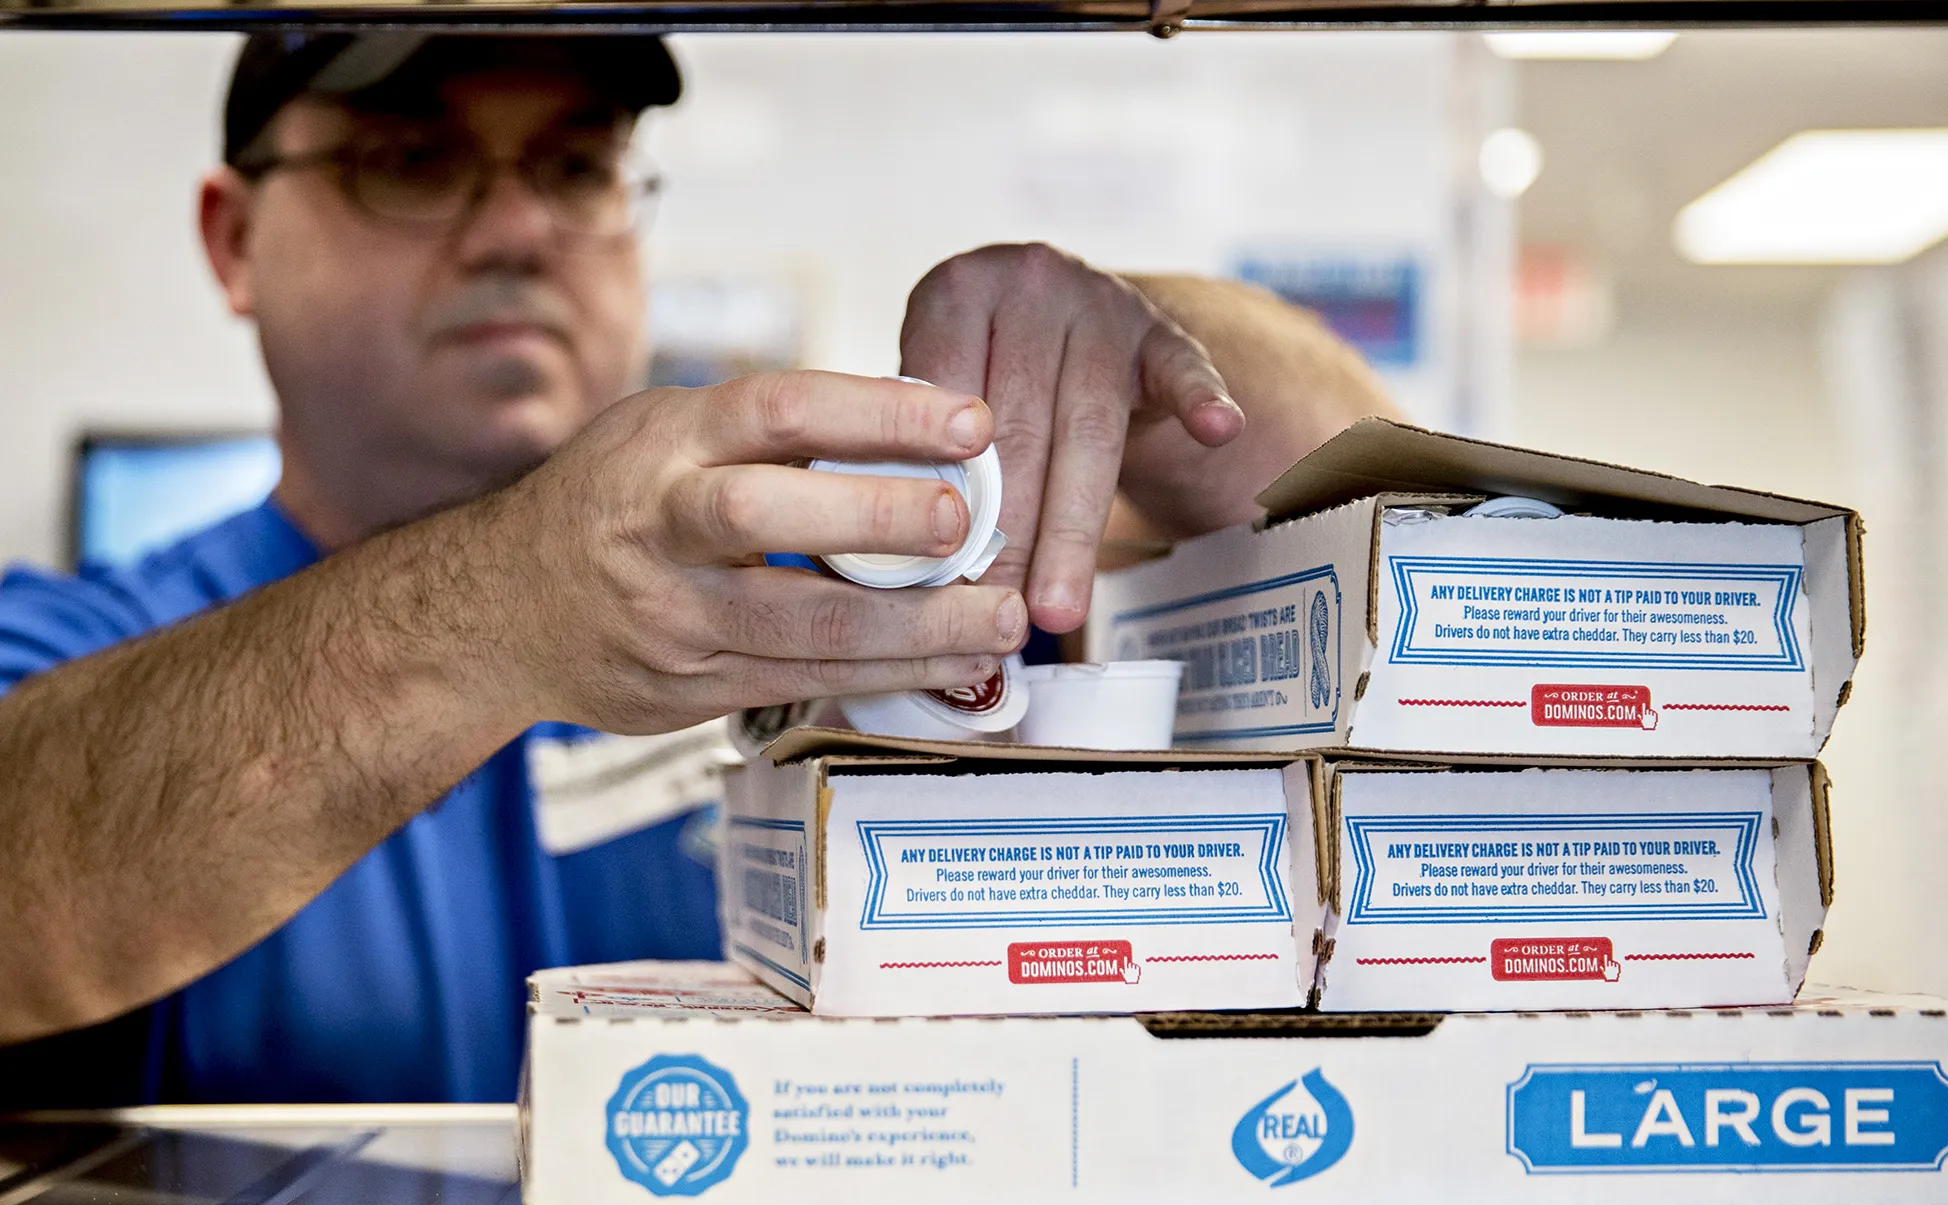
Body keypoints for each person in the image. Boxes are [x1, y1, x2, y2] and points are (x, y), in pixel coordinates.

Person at [0, 33, 1396, 1104]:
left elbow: (1379, 517)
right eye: (410, 161)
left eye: (576, 167)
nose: (518, 231)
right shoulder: (95, 646)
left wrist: (1130, 337)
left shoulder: (840, 595)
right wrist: (494, 604)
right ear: (234, 240)